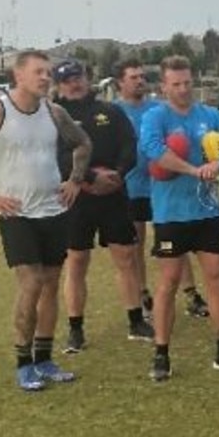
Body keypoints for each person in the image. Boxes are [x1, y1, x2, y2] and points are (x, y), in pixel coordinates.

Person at [0, 50, 90, 391]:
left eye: (48, 72)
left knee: (52, 283)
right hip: (16, 215)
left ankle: (45, 358)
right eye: (38, 71)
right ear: (18, 74)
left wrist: (75, 180)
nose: (45, 77)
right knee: (32, 282)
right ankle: (24, 363)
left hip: (53, 211)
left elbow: (82, 143)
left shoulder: (55, 112)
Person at [140, 55, 219, 381]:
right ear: (163, 85)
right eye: (176, 84)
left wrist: (218, 165)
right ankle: (161, 354)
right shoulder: (155, 116)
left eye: (188, 82)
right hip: (171, 214)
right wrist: (194, 170)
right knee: (169, 281)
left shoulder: (211, 115)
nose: (183, 89)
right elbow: (154, 151)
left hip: (207, 213)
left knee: (217, 278)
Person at [51, 59, 154, 353]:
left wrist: (118, 174)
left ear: (87, 76)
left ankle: (136, 321)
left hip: (113, 196)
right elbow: (56, 157)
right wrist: (90, 177)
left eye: (78, 75)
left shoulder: (110, 111)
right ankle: (75, 329)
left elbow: (129, 146)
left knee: (126, 258)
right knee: (77, 263)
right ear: (59, 85)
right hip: (75, 199)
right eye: (68, 78)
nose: (75, 82)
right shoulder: (54, 117)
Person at [113, 59, 209, 320]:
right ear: (120, 82)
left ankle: (191, 294)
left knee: (177, 240)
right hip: (131, 187)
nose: (140, 80)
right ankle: (143, 294)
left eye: (142, 76)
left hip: (163, 186)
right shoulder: (114, 111)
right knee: (136, 244)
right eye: (133, 77)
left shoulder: (159, 109)